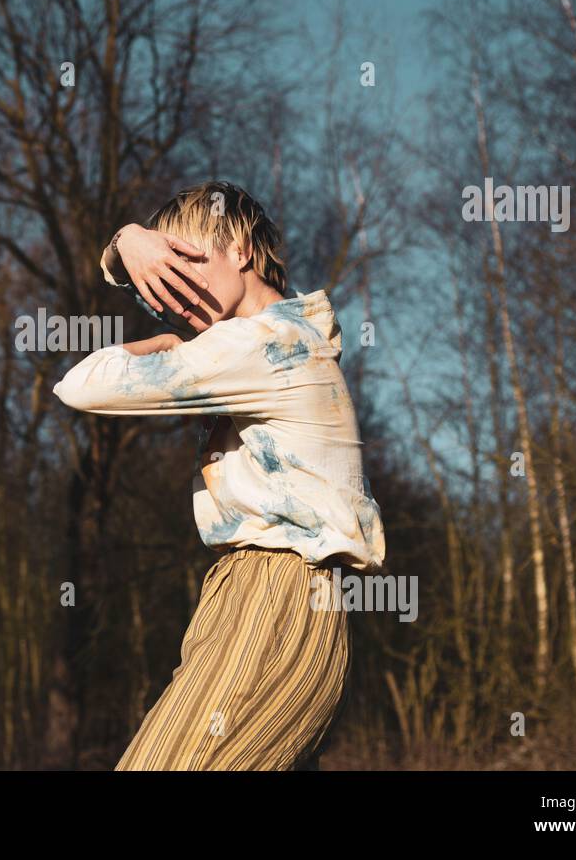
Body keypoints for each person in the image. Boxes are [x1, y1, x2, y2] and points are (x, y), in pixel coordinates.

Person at [52, 180, 385, 770]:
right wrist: (127, 252)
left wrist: (132, 252)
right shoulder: (284, 340)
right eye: (162, 282)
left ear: (240, 251)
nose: (175, 295)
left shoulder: (262, 343)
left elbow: (80, 385)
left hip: (273, 600)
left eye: (185, 264)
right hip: (265, 603)